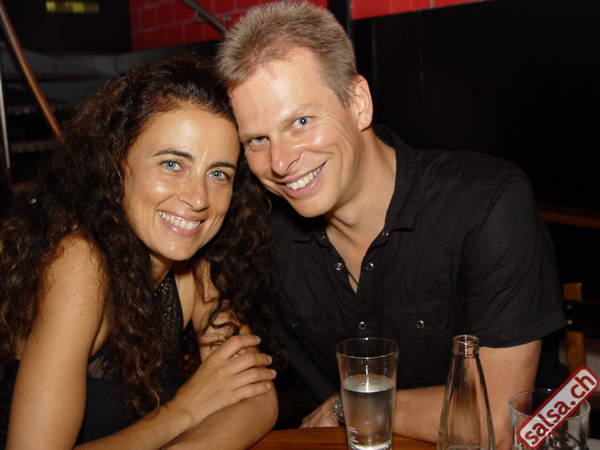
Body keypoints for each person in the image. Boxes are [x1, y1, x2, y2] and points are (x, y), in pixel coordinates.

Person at [215, 1, 565, 447]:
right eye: (258, 140)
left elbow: (491, 420)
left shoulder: (484, 204)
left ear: (358, 103)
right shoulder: (257, 232)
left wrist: (349, 406)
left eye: (301, 121)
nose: (280, 162)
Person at [0, 54, 278, 449]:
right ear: (117, 164)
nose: (199, 198)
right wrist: (183, 412)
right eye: (172, 164)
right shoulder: (80, 262)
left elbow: (257, 396)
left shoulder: (193, 268)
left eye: (218, 174)